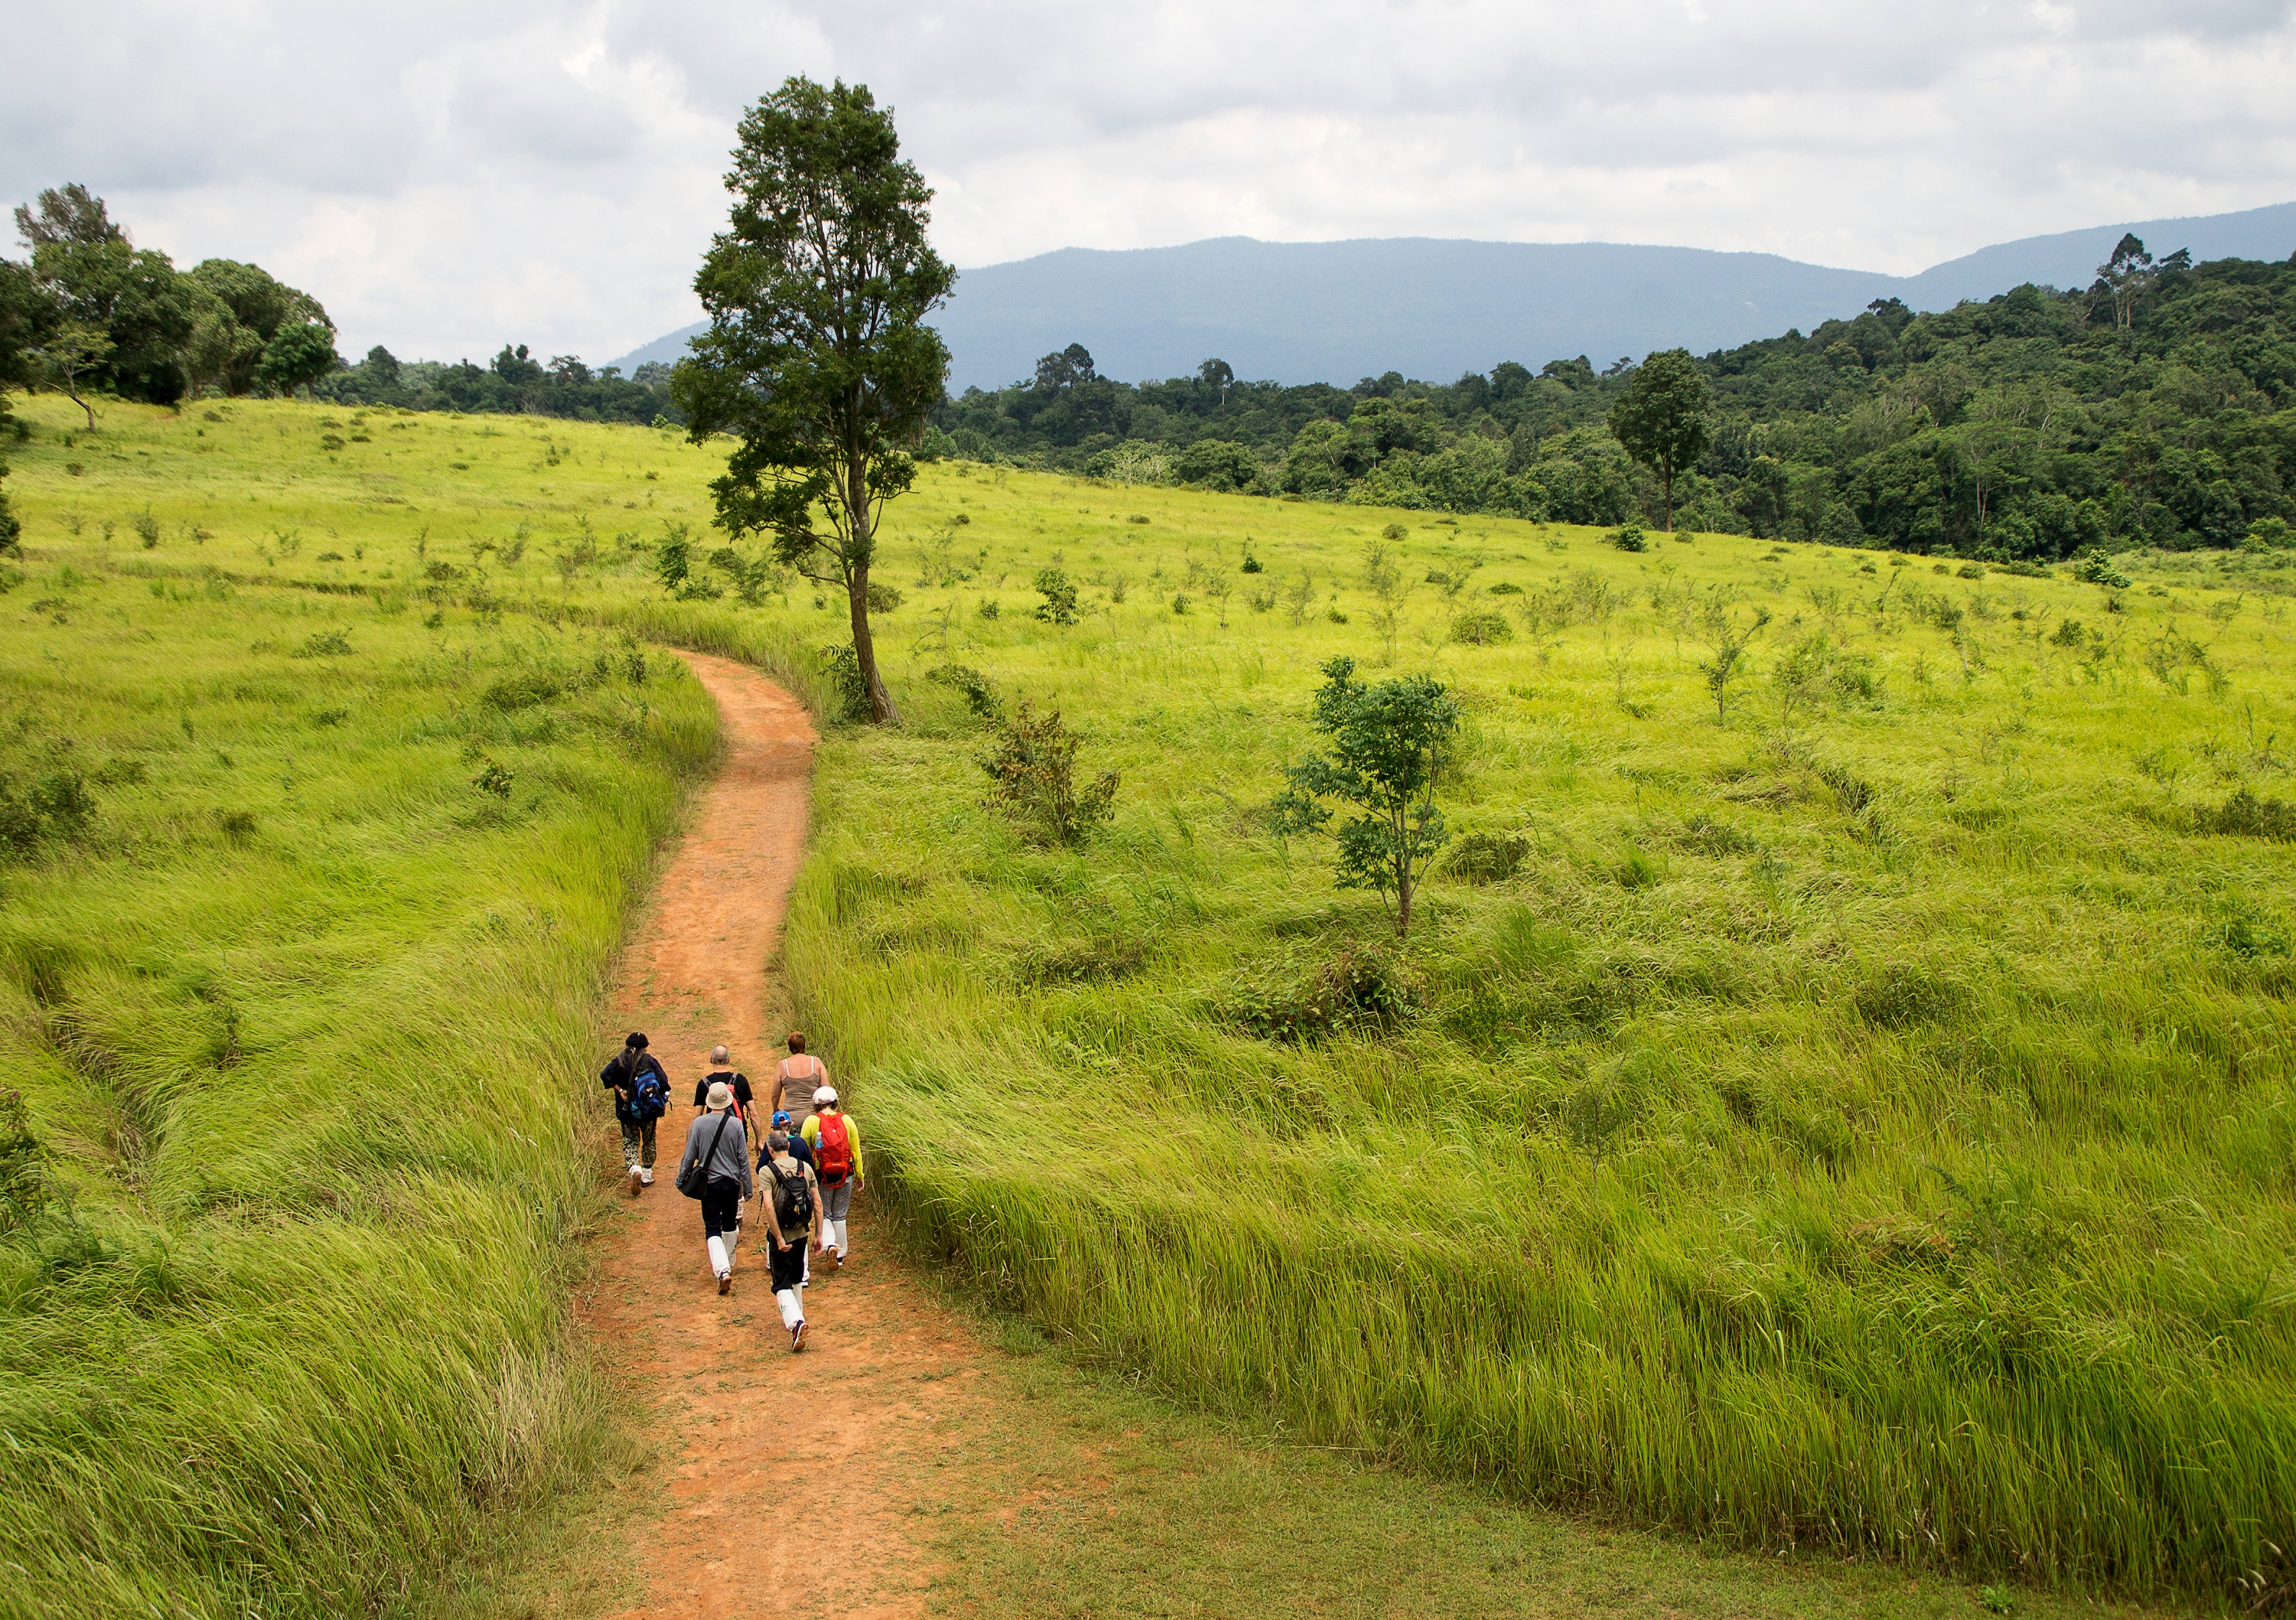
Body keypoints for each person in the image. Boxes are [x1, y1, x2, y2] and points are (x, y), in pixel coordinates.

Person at [674, 1081, 754, 1295]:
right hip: (731, 1183)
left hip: (709, 1184)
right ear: (727, 1102)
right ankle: (728, 1262)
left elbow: (690, 1155)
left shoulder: (699, 1124)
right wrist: (748, 1186)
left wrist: (681, 1178)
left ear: (709, 1102)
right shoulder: (736, 1125)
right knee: (729, 1224)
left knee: (712, 1228)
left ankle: (722, 1270)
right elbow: (743, 1159)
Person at [759, 1127, 821, 1351]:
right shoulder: (804, 1168)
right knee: (796, 1277)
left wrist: (777, 1238)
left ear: (770, 1149)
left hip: (782, 1234)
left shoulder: (767, 1172)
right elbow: (817, 1203)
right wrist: (819, 1235)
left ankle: (796, 1323)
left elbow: (768, 1206)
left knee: (781, 1283)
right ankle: (800, 1316)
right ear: (788, 1146)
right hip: (802, 1232)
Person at [800, 1086, 864, 1269]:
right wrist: (860, 1175)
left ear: (816, 1104)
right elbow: (856, 1151)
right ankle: (840, 1254)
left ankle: (829, 1246)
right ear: (835, 1102)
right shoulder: (847, 1120)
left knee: (826, 1213)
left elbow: (804, 1151)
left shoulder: (811, 1121)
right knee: (840, 1214)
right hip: (846, 1173)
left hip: (821, 1175)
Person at [601, 1032, 670, 1194]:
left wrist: (620, 1090)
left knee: (630, 1141)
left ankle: (634, 1168)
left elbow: (605, 1075)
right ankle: (646, 1175)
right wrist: (663, 1101)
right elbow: (664, 1081)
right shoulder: (649, 1060)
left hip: (627, 1112)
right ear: (645, 1047)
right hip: (649, 1111)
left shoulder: (619, 1061)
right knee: (649, 1141)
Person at [773, 1032, 828, 1126]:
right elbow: (827, 1090)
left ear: (789, 1048)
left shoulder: (782, 1065)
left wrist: (775, 1109)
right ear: (805, 1046)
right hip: (814, 1119)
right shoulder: (816, 1062)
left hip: (792, 1120)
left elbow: (775, 1095)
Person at [693, 1045, 754, 1123]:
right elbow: (753, 1113)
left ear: (711, 1060)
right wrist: (758, 1135)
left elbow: (697, 1116)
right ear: (728, 1060)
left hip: (714, 1132)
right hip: (738, 1132)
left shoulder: (703, 1084)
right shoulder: (740, 1080)